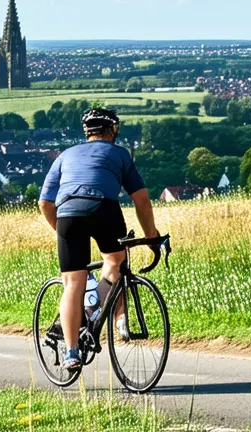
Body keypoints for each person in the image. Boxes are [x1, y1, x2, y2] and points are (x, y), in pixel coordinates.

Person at [38, 107, 161, 371]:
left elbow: (45, 202)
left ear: (87, 132)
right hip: (104, 209)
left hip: (68, 215)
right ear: (113, 130)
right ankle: (94, 306)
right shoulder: (119, 154)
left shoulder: (65, 155)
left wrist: (60, 230)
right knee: (116, 260)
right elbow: (141, 200)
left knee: (73, 283)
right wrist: (151, 237)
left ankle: (71, 352)